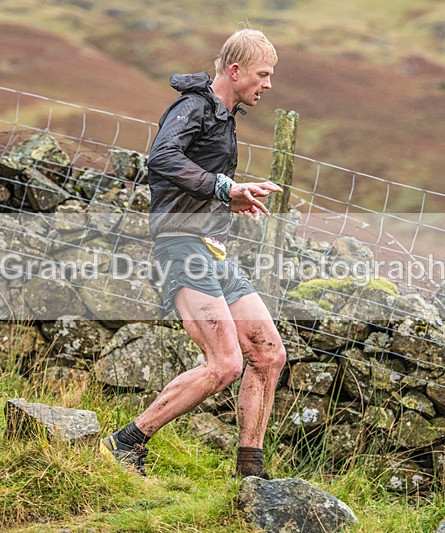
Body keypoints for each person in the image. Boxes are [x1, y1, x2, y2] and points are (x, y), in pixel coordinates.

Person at [100, 28, 287, 479]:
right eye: (263, 74)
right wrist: (224, 187)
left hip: (213, 249)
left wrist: (230, 200)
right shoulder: (194, 107)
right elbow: (161, 158)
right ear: (236, 70)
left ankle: (251, 473)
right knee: (225, 364)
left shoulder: (223, 114)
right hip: (182, 247)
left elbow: (197, 180)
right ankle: (125, 442)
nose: (267, 84)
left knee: (269, 353)